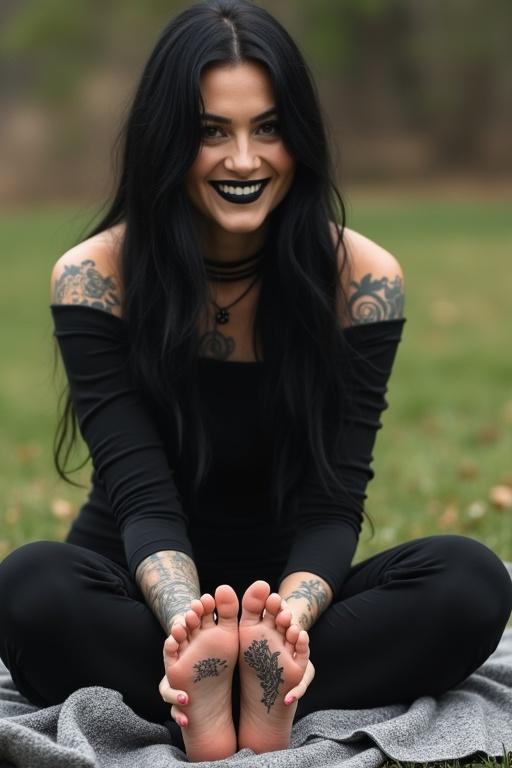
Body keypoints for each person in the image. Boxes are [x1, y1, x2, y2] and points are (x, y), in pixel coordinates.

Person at [1, 0, 511, 762]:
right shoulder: (94, 278)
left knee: (471, 583)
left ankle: (258, 686)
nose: (245, 160)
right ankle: (212, 688)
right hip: (134, 600)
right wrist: (189, 630)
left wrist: (287, 626)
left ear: (297, 138)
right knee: (30, 588)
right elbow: (141, 494)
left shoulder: (363, 281)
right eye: (213, 132)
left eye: (267, 128)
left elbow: (334, 499)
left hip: (298, 603)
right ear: (167, 142)